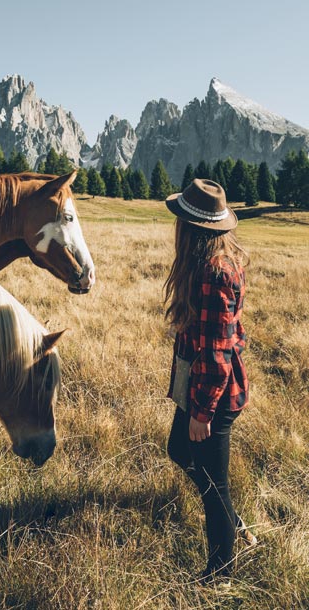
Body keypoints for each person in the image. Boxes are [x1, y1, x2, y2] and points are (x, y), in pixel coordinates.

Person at [162, 177, 258, 580]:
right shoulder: (205, 267)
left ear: (191, 229)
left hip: (213, 395)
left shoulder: (214, 274)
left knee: (215, 484)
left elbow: (217, 357)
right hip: (198, 383)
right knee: (179, 451)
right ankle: (232, 524)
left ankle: (221, 572)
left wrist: (201, 412)